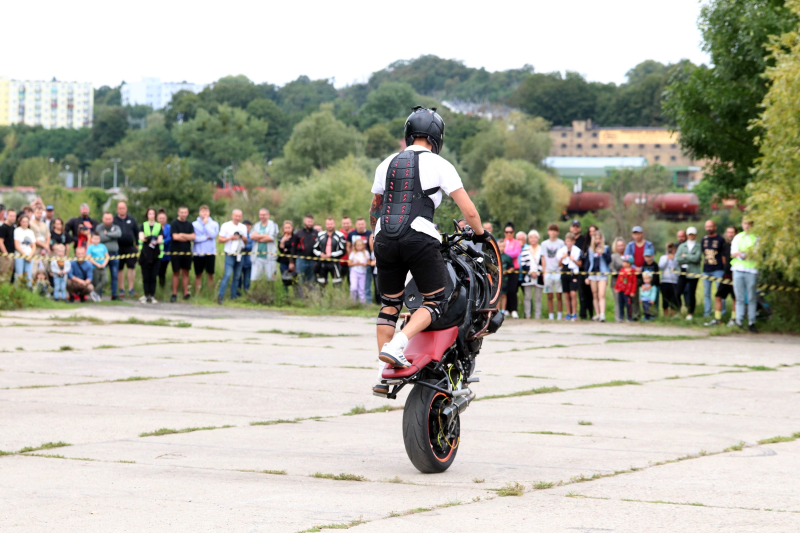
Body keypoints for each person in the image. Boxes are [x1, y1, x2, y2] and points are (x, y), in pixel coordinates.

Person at [368, 105, 487, 393]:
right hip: (419, 236)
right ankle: (400, 341)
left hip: (384, 236)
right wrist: (480, 234)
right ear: (436, 137)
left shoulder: (386, 163)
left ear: (409, 135)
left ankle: (387, 372)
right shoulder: (440, 164)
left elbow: (376, 207)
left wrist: (377, 236)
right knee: (435, 300)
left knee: (390, 305)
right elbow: (468, 211)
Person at [707, 226, 738, 327]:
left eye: (732, 232)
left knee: (735, 298)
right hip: (726, 274)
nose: (730, 235)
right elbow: (724, 260)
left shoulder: (738, 245)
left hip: (736, 274)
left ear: (735, 233)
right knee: (718, 296)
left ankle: (734, 319)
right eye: (728, 232)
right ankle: (717, 319)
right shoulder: (725, 246)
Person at [731, 219, 758, 332]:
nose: (746, 226)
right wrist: (744, 254)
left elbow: (756, 253)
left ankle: (752, 321)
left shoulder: (756, 238)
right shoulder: (737, 237)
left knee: (751, 297)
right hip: (738, 269)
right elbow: (733, 253)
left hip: (751, 270)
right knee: (739, 297)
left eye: (749, 224)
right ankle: (739, 320)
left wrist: (742, 254)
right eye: (745, 224)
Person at [217, 209, 248, 304]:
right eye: (236, 216)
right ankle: (220, 296)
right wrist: (230, 238)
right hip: (230, 254)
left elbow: (245, 242)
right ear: (232, 215)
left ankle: (233, 296)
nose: (237, 218)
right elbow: (220, 240)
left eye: (239, 216)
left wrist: (243, 238)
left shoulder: (243, 227)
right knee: (228, 274)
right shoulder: (226, 225)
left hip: (239, 254)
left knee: (237, 276)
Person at [624, 226, 654, 321]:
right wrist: (634, 268)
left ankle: (649, 315)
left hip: (646, 273)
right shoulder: (630, 246)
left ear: (642, 234)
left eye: (638, 233)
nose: (637, 236)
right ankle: (635, 315)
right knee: (634, 296)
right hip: (633, 273)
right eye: (635, 234)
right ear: (632, 235)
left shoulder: (649, 245)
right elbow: (627, 258)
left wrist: (642, 268)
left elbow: (651, 258)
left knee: (649, 294)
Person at [137, 208, 163, 304]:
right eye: (149, 213)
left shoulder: (158, 226)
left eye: (153, 213)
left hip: (155, 255)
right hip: (145, 254)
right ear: (147, 215)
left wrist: (149, 237)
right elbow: (141, 238)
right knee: (146, 276)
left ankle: (152, 295)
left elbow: (160, 240)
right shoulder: (143, 225)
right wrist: (153, 238)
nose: (151, 215)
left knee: (153, 276)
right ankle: (145, 294)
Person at [676, 226, 702, 320]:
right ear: (687, 235)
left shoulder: (698, 246)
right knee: (678, 292)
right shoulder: (682, 246)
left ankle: (690, 312)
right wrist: (690, 257)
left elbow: (697, 259)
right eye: (689, 234)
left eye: (692, 234)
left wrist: (685, 256)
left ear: (695, 235)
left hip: (694, 273)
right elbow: (678, 258)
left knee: (691, 293)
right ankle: (679, 310)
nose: (691, 236)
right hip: (682, 272)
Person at [701, 220, 725, 318]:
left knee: (720, 293)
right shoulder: (704, 239)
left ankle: (721, 313)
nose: (709, 228)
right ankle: (707, 313)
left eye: (710, 226)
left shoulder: (720, 239)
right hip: (706, 269)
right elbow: (703, 252)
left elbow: (723, 255)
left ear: (715, 227)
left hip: (718, 269)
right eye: (707, 226)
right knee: (706, 293)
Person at [113, 202, 138, 298]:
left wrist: (137, 245)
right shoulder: (114, 220)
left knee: (131, 267)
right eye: (120, 208)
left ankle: (131, 288)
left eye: (123, 208)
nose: (122, 210)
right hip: (118, 247)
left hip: (130, 247)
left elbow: (137, 232)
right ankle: (122, 289)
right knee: (120, 268)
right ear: (117, 209)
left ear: (126, 209)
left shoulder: (132, 220)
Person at [192, 205, 218, 296]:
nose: (204, 213)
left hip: (210, 253)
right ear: (199, 213)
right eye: (203, 211)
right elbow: (194, 238)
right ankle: (198, 294)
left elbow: (213, 235)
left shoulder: (214, 224)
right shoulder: (194, 224)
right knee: (198, 274)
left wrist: (206, 225)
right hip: (198, 253)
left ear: (209, 213)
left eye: (206, 212)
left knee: (210, 274)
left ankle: (210, 293)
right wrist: (205, 237)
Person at [170, 206, 195, 302]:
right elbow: (175, 237)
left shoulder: (189, 224)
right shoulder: (174, 223)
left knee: (186, 272)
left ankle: (186, 293)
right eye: (182, 212)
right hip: (176, 251)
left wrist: (182, 235)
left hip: (187, 251)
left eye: (185, 212)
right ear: (178, 213)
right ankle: (174, 294)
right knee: (176, 272)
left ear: (187, 213)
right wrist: (186, 236)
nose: (183, 214)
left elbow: (193, 237)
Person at [586, 229, 611, 322]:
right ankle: (597, 314)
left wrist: (603, 252)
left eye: (599, 238)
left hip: (602, 273)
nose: (598, 241)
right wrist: (587, 276)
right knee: (595, 295)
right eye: (596, 238)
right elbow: (588, 263)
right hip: (592, 274)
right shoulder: (590, 249)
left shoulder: (606, 248)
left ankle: (602, 314)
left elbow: (609, 260)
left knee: (601, 294)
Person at [541, 223, 565, 320]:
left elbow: (563, 257)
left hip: (558, 271)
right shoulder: (544, 244)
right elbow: (543, 258)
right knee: (549, 295)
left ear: (557, 232)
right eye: (551, 230)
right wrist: (544, 272)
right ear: (548, 231)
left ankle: (559, 315)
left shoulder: (561, 243)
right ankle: (551, 316)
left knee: (559, 295)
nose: (553, 232)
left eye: (555, 230)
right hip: (548, 272)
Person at [313, 217, 346, 285]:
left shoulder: (340, 235)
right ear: (325, 225)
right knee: (321, 283)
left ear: (334, 224)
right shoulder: (320, 235)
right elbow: (314, 248)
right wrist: (320, 254)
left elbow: (342, 250)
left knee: (337, 283)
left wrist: (331, 255)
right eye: (328, 224)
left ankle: (337, 295)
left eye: (331, 224)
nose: (329, 225)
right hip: (322, 262)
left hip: (334, 263)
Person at [347, 217, 374, 302]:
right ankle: (354, 302)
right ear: (356, 225)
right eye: (359, 224)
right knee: (354, 287)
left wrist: (369, 261)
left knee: (365, 286)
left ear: (365, 224)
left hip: (366, 265)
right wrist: (353, 260)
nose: (361, 226)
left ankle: (366, 303)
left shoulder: (370, 234)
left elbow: (372, 246)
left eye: (362, 224)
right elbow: (348, 247)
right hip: (354, 267)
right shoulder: (351, 234)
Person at [519, 229, 544, 319]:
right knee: (527, 297)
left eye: (535, 237)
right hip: (527, 277)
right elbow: (523, 263)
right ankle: (528, 315)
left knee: (538, 297)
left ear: (538, 239)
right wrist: (530, 272)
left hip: (539, 277)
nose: (533, 239)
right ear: (529, 239)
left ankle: (538, 316)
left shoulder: (542, 249)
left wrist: (538, 272)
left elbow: (543, 262)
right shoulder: (525, 249)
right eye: (531, 237)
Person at [558, 232, 582, 322]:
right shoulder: (562, 251)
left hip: (573, 273)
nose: (569, 243)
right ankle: (568, 313)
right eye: (567, 241)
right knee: (566, 294)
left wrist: (573, 260)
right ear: (565, 241)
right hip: (564, 272)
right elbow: (559, 264)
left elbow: (580, 264)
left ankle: (574, 313)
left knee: (573, 293)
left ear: (574, 242)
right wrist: (562, 258)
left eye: (571, 241)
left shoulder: (577, 251)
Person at [571, 220, 593, 320]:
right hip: (573, 270)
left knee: (589, 293)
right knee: (580, 294)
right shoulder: (568, 240)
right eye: (573, 226)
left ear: (580, 228)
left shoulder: (584, 240)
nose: (575, 228)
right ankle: (582, 314)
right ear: (571, 228)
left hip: (584, 269)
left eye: (577, 226)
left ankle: (591, 313)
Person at [250, 208, 279, 282]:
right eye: (260, 215)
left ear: (268, 215)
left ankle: (270, 293)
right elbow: (251, 236)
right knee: (255, 278)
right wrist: (264, 235)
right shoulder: (256, 225)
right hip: (257, 256)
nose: (262, 216)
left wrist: (258, 236)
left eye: (264, 215)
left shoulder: (273, 225)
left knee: (271, 279)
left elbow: (271, 237)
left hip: (270, 256)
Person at [98, 213, 121, 300]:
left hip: (114, 254)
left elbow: (118, 234)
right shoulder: (99, 227)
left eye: (109, 219)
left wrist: (107, 234)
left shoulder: (116, 227)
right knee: (101, 275)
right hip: (102, 255)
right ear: (103, 219)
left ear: (112, 219)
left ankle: (114, 295)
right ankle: (98, 294)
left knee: (114, 275)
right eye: (106, 219)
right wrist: (112, 235)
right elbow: (100, 238)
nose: (108, 220)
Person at [290, 214, 317, 286]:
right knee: (300, 280)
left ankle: (311, 296)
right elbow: (293, 248)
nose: (310, 223)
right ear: (304, 221)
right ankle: (300, 296)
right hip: (301, 260)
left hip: (312, 260)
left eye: (311, 222)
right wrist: (291, 262)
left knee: (312, 281)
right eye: (308, 221)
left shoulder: (316, 233)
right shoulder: (298, 233)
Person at [502, 223, 521, 318]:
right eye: (506, 232)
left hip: (513, 269)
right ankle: (505, 309)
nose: (508, 233)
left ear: (513, 232)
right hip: (504, 269)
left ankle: (513, 309)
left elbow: (516, 253)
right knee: (504, 290)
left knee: (513, 290)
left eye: (510, 232)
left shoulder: (516, 242)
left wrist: (504, 254)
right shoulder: (502, 242)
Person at [14, 214, 36, 286]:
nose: (25, 223)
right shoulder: (17, 230)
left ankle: (28, 292)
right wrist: (25, 255)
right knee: (19, 275)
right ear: (20, 222)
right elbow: (17, 245)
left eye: (26, 222)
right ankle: (17, 291)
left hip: (29, 256)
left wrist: (30, 256)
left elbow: (34, 246)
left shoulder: (30, 232)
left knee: (28, 276)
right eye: (23, 221)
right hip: (19, 255)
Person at [86, 233, 109, 302]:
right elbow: (89, 258)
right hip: (94, 267)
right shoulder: (90, 247)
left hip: (103, 267)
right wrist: (97, 264)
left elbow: (107, 256)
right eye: (95, 238)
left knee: (105, 280)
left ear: (100, 239)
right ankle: (97, 296)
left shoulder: (103, 246)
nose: (96, 240)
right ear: (92, 239)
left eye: (98, 238)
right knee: (95, 282)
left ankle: (94, 292)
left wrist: (104, 264)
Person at [659, 243, 680, 317]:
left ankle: (672, 315)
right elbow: (661, 267)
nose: (671, 250)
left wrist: (673, 259)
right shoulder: (663, 257)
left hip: (674, 281)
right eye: (669, 249)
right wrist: (667, 259)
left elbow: (677, 267)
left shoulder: (677, 258)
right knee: (665, 299)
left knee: (673, 299)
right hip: (665, 281)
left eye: (672, 249)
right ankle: (665, 315)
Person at [29, 205, 50, 279]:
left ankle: (43, 288)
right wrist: (44, 246)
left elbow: (48, 237)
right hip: (35, 252)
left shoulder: (44, 225)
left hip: (44, 252)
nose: (39, 215)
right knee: (33, 272)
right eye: (38, 213)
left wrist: (45, 247)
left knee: (44, 273)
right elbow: (32, 238)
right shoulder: (30, 224)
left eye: (41, 213)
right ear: (34, 213)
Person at [615, 255, 637, 322]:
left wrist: (633, 291)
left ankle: (629, 317)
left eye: (624, 262)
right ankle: (621, 317)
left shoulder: (633, 271)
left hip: (628, 292)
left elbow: (634, 282)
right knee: (620, 304)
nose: (623, 263)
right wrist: (616, 287)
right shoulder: (622, 270)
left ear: (629, 263)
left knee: (628, 305)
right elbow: (619, 279)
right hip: (621, 290)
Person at [609, 237, 626, 322]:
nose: (620, 247)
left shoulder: (627, 255)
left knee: (626, 300)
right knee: (617, 300)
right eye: (619, 245)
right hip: (616, 281)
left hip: (626, 282)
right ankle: (618, 318)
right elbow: (611, 267)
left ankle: (628, 317)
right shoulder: (613, 256)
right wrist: (618, 274)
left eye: (622, 245)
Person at [348, 238, 370, 303]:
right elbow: (349, 264)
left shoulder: (366, 253)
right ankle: (353, 302)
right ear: (355, 246)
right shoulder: (352, 253)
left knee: (362, 289)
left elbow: (369, 262)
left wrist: (365, 263)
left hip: (363, 272)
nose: (359, 247)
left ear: (363, 246)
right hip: (354, 271)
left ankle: (362, 303)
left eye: (361, 245)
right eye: (358, 245)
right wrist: (355, 263)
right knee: (353, 288)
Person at [641, 253, 660, 317]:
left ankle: (654, 315)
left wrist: (651, 284)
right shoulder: (644, 264)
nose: (647, 258)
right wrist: (643, 284)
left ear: (652, 256)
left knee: (654, 302)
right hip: (646, 285)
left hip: (654, 285)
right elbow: (642, 275)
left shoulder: (655, 264)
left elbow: (656, 276)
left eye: (649, 256)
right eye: (646, 256)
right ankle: (646, 316)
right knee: (645, 305)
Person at [0, 209, 17, 283]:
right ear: (6, 216)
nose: (13, 218)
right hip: (5, 255)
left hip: (12, 254)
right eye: (11, 216)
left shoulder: (13, 227)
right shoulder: (3, 227)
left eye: (14, 216)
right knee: (3, 275)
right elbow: (0, 241)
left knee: (9, 276)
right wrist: (6, 253)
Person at [157, 210, 171, 289]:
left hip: (166, 252)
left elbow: (170, 237)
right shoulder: (155, 227)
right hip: (156, 252)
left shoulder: (169, 227)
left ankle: (162, 287)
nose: (162, 219)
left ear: (166, 218)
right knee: (157, 271)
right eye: (160, 218)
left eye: (163, 218)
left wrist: (161, 241)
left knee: (163, 271)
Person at [239, 219, 254, 293]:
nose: (247, 226)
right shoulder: (239, 235)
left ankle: (246, 293)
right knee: (238, 278)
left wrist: (243, 245)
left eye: (248, 225)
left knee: (247, 279)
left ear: (250, 226)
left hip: (248, 260)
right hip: (239, 259)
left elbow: (251, 247)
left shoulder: (252, 235)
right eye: (245, 225)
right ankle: (237, 294)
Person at [278, 220, 295, 285]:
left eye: (289, 227)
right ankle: (286, 294)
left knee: (294, 280)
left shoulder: (295, 238)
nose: (287, 229)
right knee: (285, 280)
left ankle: (295, 294)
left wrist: (292, 262)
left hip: (293, 261)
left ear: (292, 228)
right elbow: (281, 250)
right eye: (286, 228)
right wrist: (282, 241)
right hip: (284, 261)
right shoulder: (281, 238)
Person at [499, 240, 513, 312]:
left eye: (503, 246)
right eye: (500, 246)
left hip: (505, 279)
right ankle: (497, 310)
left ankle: (503, 310)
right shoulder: (495, 255)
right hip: (497, 279)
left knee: (504, 295)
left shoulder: (507, 257)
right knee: (497, 296)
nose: (501, 248)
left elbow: (512, 267)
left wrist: (507, 271)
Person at [338, 216, 353, 284]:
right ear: (342, 224)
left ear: (351, 223)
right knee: (339, 282)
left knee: (351, 283)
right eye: (344, 223)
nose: (346, 225)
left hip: (353, 262)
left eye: (347, 223)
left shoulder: (355, 233)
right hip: (341, 262)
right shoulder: (338, 234)